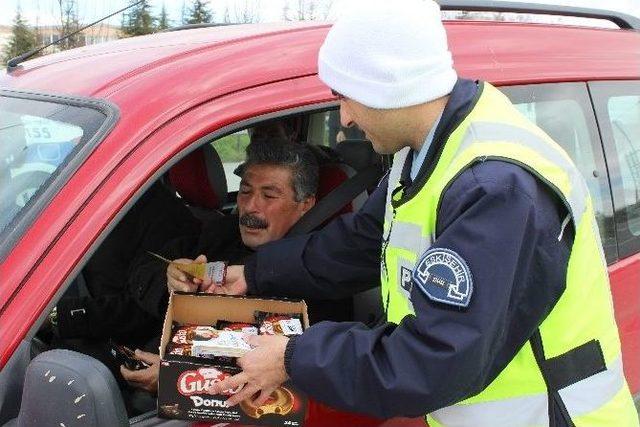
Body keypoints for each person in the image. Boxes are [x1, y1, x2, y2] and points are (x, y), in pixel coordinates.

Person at [208, 1, 639, 426]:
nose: (345, 119)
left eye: (348, 98)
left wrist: (292, 356)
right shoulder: (420, 150)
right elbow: (359, 242)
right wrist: (253, 275)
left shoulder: (497, 187)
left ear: (391, 88)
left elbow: (434, 360)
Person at [121, 140, 352, 394]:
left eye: (269, 195)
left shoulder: (319, 272)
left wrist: (177, 376)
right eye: (245, 191)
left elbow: (289, 366)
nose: (250, 207)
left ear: (305, 204)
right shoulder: (221, 233)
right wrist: (169, 277)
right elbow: (144, 265)